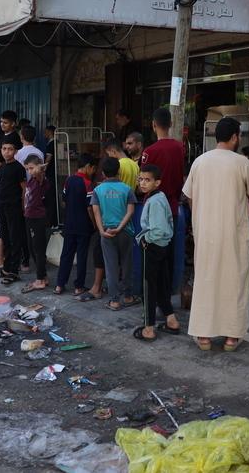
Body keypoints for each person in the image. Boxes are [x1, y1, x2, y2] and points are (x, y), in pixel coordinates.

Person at [182, 116, 249, 352]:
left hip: (205, 233)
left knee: (206, 281)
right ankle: (231, 337)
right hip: (234, 235)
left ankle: (204, 336)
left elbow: (189, 195)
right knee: (234, 283)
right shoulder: (242, 163)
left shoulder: (199, 162)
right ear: (236, 136)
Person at [133, 164, 181, 342]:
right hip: (163, 246)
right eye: (141, 179)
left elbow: (158, 229)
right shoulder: (158, 197)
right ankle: (171, 320)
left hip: (153, 247)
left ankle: (149, 328)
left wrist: (147, 239)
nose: (143, 183)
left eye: (148, 180)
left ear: (157, 182)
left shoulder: (154, 201)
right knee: (161, 284)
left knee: (148, 287)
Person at [140, 108, 187, 290]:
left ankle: (154, 299)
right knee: (169, 254)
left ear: (153, 125)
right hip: (173, 207)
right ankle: (166, 296)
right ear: (171, 124)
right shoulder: (179, 147)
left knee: (152, 256)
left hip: (154, 209)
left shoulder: (150, 151)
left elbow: (143, 183)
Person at [91, 156, 138, 310]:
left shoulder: (97, 190)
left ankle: (115, 300)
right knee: (127, 264)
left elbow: (96, 213)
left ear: (103, 173)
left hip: (106, 232)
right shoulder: (127, 189)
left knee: (111, 267)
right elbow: (130, 211)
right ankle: (129, 296)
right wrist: (120, 227)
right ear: (118, 171)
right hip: (125, 232)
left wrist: (102, 231)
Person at [56, 153, 97, 296]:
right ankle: (78, 287)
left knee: (66, 254)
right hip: (83, 226)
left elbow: (64, 201)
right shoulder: (88, 184)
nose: (93, 172)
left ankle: (60, 285)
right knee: (82, 256)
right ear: (87, 167)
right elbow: (89, 208)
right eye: (93, 169)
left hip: (69, 224)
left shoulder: (68, 180)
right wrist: (95, 224)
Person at [0, 139, 27, 285]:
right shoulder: (2, 168)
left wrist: (24, 206)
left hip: (14, 207)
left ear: (15, 151)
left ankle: (13, 271)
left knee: (14, 238)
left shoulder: (19, 168)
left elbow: (24, 189)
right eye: (4, 149)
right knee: (5, 238)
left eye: (10, 149)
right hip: (1, 206)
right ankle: (6, 268)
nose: (7, 151)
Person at [21, 154, 52, 292]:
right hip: (29, 217)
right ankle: (43, 276)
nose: (30, 171)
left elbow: (40, 172)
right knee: (32, 247)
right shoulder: (32, 180)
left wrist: (39, 167)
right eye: (27, 169)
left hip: (37, 218)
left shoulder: (41, 179)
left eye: (32, 168)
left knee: (38, 249)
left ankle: (40, 279)